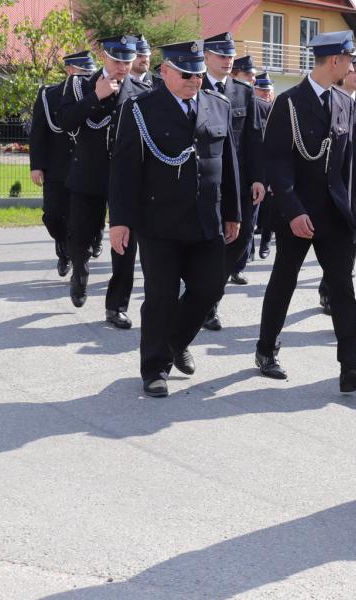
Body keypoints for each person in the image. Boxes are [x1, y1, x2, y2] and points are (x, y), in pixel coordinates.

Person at [254, 30, 356, 393]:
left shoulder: (344, 102)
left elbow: (346, 165)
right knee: (284, 281)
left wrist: (352, 211)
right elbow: (276, 162)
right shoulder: (289, 103)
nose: (354, 67)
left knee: (342, 288)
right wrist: (293, 210)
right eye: (349, 60)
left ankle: (353, 367)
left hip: (334, 214)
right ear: (334, 61)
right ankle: (266, 350)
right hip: (297, 214)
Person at [108, 39, 241, 398]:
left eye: (198, 74)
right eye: (186, 74)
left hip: (206, 219)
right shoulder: (140, 109)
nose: (195, 80)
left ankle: (175, 341)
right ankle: (155, 368)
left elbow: (228, 163)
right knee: (161, 297)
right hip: (159, 222)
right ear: (165, 71)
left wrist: (233, 212)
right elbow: (124, 169)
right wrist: (119, 220)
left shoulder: (218, 105)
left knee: (211, 287)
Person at [57, 35, 149, 329]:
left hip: (126, 178)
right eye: (117, 60)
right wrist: (95, 97)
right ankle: (79, 273)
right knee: (81, 238)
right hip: (88, 174)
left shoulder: (143, 91)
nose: (122, 66)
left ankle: (116, 306)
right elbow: (64, 122)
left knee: (125, 245)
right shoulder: (80, 85)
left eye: (127, 61)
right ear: (103, 56)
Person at [197, 32, 265, 329]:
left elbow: (254, 139)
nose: (227, 61)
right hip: (206, 181)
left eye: (230, 56)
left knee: (240, 239)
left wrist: (259, 178)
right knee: (208, 243)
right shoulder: (194, 86)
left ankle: (209, 296)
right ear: (207, 57)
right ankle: (204, 302)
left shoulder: (243, 92)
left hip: (239, 182)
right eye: (222, 55)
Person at [317, 52, 356, 315]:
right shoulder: (328, 101)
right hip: (332, 189)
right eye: (354, 70)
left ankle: (335, 289)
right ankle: (330, 291)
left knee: (351, 246)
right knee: (333, 245)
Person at [29, 50, 96, 278]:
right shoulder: (49, 95)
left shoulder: (95, 93)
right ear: (68, 70)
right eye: (82, 71)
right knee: (52, 215)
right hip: (57, 168)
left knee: (83, 217)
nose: (86, 76)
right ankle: (62, 244)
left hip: (85, 167)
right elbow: (38, 132)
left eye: (89, 72)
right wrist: (36, 165)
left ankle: (79, 256)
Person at [253, 72, 275, 259]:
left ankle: (266, 241)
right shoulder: (251, 106)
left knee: (269, 206)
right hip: (254, 164)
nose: (266, 94)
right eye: (262, 91)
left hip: (270, 165)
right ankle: (249, 249)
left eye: (268, 91)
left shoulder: (275, 108)